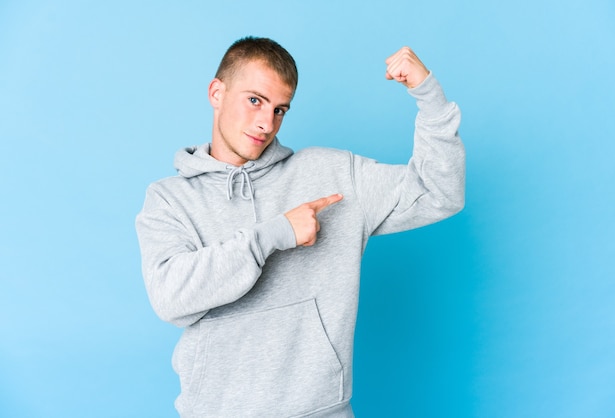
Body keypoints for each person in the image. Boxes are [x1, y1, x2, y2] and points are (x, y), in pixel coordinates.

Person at [136, 36, 465, 418]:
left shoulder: (330, 174)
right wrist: (271, 235)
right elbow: (171, 298)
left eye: (280, 109)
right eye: (254, 100)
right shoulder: (170, 198)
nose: (265, 122)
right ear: (216, 92)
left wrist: (428, 96)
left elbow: (439, 193)